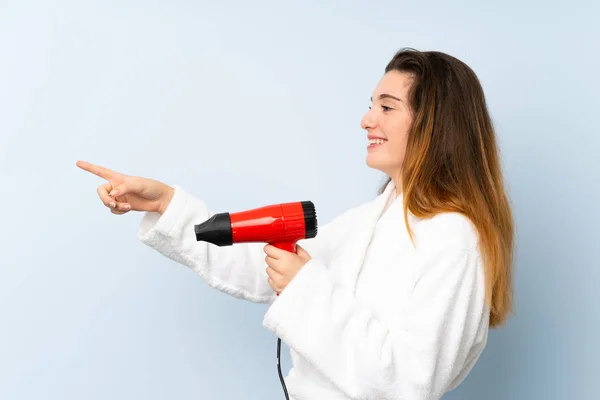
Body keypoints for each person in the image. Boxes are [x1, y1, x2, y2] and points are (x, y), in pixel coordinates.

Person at [77, 47, 514, 400]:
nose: (367, 120)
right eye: (370, 106)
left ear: (434, 124)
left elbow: (412, 381)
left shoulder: (454, 238)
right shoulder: (369, 220)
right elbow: (261, 270)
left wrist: (305, 285)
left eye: (387, 107)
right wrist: (167, 204)